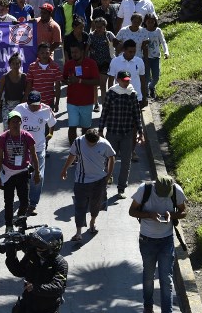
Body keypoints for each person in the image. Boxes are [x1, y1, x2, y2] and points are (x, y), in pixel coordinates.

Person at [128, 175, 187, 313]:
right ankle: (148, 307)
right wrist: (149, 215)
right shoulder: (144, 189)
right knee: (148, 276)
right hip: (147, 240)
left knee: (166, 280)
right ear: (155, 187)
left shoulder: (176, 191)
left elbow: (183, 212)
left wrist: (171, 215)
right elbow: (132, 211)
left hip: (166, 240)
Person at [4, 226, 68, 313]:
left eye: (41, 247)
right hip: (30, 310)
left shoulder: (60, 263)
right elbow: (19, 271)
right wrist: (11, 254)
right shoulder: (32, 254)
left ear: (53, 246)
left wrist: (35, 288)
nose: (38, 249)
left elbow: (58, 286)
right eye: (37, 246)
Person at [60, 128, 116, 243]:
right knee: (80, 207)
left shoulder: (104, 144)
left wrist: (109, 174)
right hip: (81, 181)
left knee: (96, 205)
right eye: (89, 143)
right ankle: (78, 232)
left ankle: (92, 223)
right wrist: (65, 169)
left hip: (99, 181)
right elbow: (72, 155)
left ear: (98, 139)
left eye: (93, 144)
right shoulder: (78, 141)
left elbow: (112, 157)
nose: (91, 145)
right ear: (85, 138)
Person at [99, 71, 145, 199]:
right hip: (112, 132)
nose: (126, 82)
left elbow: (137, 114)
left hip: (127, 134)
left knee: (126, 162)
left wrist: (140, 133)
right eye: (124, 80)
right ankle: (104, 185)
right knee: (108, 160)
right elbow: (105, 111)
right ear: (117, 80)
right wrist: (100, 129)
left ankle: (121, 188)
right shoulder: (111, 93)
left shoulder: (132, 94)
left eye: (128, 80)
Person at [0, 111, 40, 232]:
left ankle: (21, 221)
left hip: (23, 173)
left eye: (17, 121)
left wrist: (37, 173)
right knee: (8, 202)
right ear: (8, 124)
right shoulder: (3, 137)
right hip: (8, 174)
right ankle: (9, 226)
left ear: (21, 122)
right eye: (12, 121)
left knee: (25, 201)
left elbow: (34, 155)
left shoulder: (27, 136)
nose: (15, 124)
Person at [13, 91, 57, 215]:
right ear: (27, 102)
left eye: (36, 104)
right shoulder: (20, 108)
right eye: (31, 105)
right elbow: (11, 122)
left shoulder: (46, 110)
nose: (34, 107)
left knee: (38, 176)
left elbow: (52, 124)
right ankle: (23, 198)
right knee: (20, 175)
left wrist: (50, 133)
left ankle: (33, 203)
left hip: (38, 149)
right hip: (21, 149)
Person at [62, 44, 100, 147]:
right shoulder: (68, 64)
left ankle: (84, 150)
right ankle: (73, 151)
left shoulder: (91, 63)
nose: (73, 54)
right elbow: (63, 79)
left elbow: (97, 81)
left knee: (86, 128)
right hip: (72, 102)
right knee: (72, 127)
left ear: (82, 52)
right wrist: (67, 81)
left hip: (86, 102)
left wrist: (79, 80)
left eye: (76, 52)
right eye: (72, 52)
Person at [0, 53, 28, 128]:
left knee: (19, 127)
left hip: (20, 106)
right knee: (7, 127)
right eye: (13, 64)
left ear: (20, 65)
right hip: (7, 105)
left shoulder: (24, 76)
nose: (15, 66)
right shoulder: (5, 77)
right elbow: (0, 92)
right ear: (9, 65)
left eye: (17, 63)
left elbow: (26, 92)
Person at [143, 13, 169, 99]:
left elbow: (163, 42)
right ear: (145, 22)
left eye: (152, 21)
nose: (150, 23)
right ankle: (146, 92)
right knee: (146, 76)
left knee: (156, 77)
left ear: (155, 22)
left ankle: (151, 87)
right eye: (148, 21)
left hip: (156, 57)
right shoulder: (143, 31)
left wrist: (166, 52)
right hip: (145, 58)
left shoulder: (158, 30)